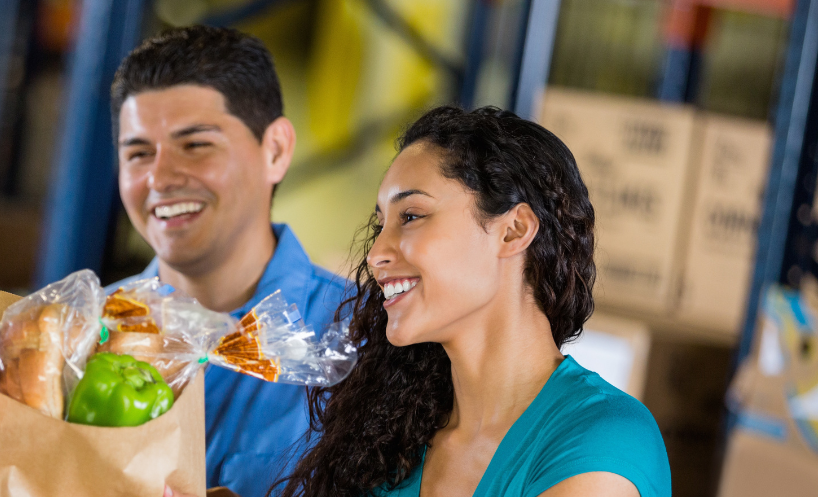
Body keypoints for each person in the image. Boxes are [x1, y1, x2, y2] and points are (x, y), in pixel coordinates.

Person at [273, 106, 671, 496]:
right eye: (380, 225)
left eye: (410, 216)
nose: (376, 254)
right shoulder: (389, 445)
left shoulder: (602, 440)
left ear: (513, 232)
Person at [109, 26, 351, 497]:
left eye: (196, 145)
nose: (159, 177)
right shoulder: (78, 332)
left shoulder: (364, 338)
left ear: (275, 150)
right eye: (138, 153)